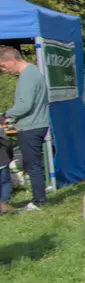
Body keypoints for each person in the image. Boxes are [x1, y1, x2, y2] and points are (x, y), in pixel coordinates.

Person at [0, 45, 49, 210]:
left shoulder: (27, 76)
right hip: (36, 124)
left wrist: (5, 114)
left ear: (12, 60)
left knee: (32, 165)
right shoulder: (33, 72)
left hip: (31, 127)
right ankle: (39, 197)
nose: (4, 70)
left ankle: (38, 202)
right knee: (33, 164)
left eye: (3, 66)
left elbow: (24, 105)